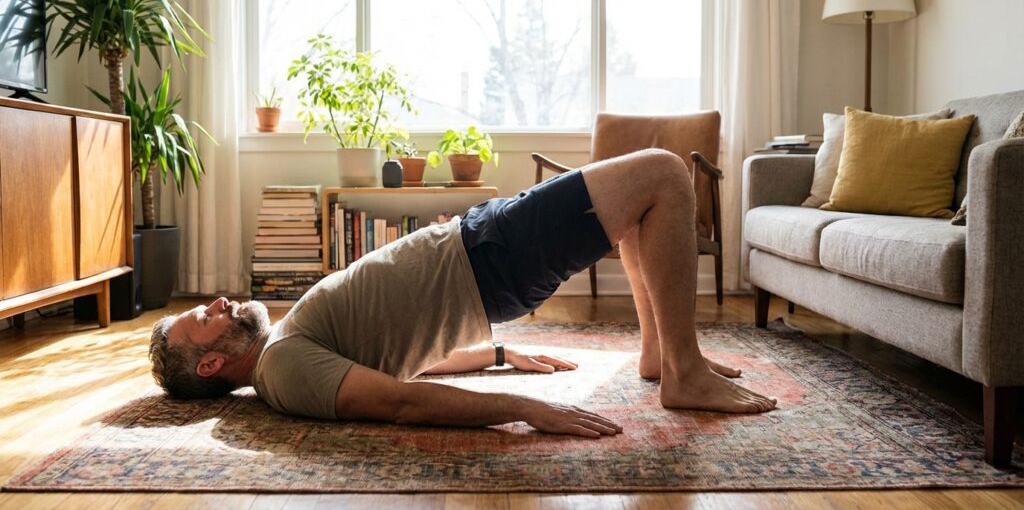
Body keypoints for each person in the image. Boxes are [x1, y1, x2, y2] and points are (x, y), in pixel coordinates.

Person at [149, 149, 777, 439]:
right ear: (210, 364)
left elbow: (398, 358)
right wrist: (523, 407)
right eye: (202, 318)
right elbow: (399, 402)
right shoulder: (282, 370)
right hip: (488, 258)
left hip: (481, 250)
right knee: (664, 173)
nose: (218, 303)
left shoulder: (285, 353)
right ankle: (683, 371)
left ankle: (659, 355)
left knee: (641, 204)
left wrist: (498, 356)